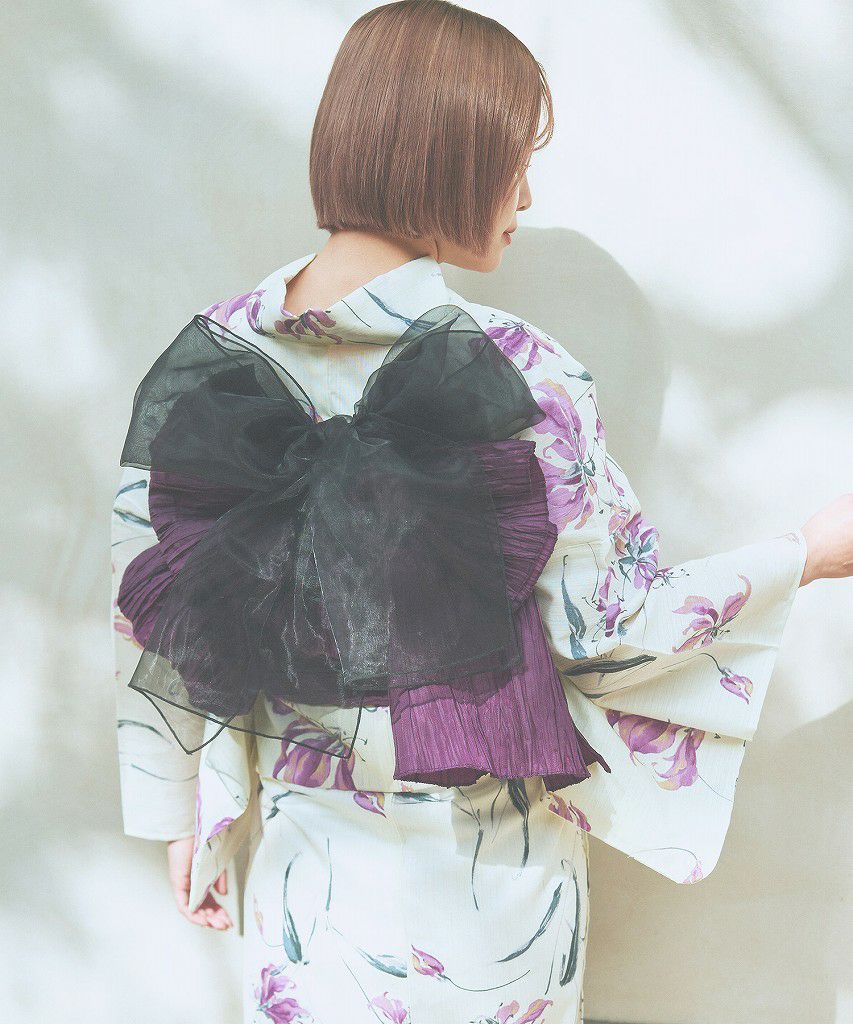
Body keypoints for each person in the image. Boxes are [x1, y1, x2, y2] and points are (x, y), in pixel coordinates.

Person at [109, 2, 853, 1021]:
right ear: (450, 156)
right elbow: (610, 629)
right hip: (490, 900)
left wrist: (178, 816)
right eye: (515, 160)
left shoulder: (209, 361)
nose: (525, 194)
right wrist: (805, 552)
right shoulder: (520, 372)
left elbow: (150, 612)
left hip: (304, 891)